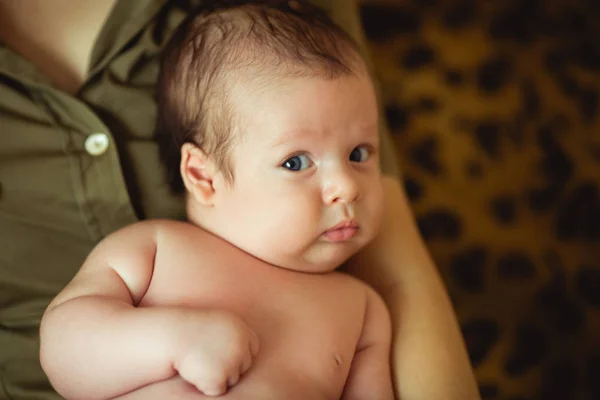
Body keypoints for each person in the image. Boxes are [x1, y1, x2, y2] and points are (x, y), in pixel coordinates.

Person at [0, 0, 480, 399]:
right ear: (202, 176)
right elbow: (63, 348)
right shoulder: (153, 251)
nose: (348, 186)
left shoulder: (363, 311)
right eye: (296, 162)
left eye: (359, 153)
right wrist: (171, 341)